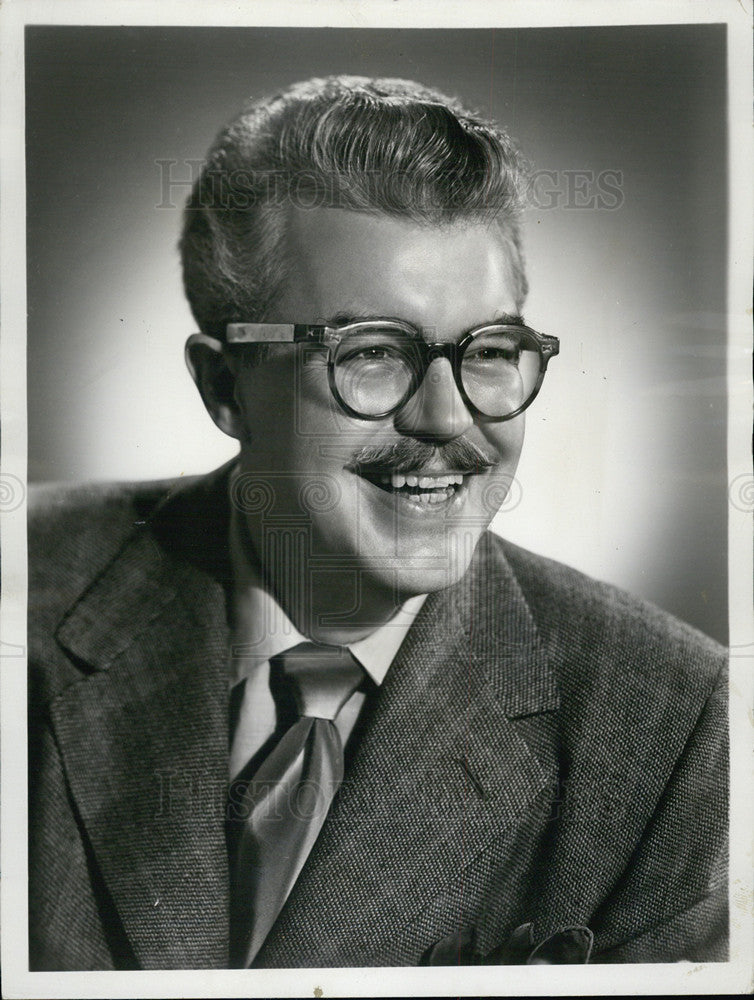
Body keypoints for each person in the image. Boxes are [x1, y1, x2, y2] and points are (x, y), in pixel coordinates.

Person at [27, 75, 727, 971]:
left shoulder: (677, 730)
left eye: (489, 353)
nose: (446, 420)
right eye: (371, 355)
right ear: (223, 387)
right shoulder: (28, 587)